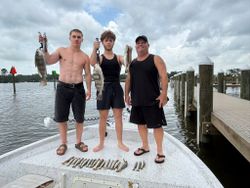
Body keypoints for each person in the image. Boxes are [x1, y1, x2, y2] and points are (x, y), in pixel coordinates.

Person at [42, 29, 91, 155]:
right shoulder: (61, 51)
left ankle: (78, 142)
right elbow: (48, 61)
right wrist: (44, 46)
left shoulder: (85, 56)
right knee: (61, 118)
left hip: (78, 89)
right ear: (69, 38)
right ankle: (63, 143)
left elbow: (88, 75)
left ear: (82, 39)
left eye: (79, 37)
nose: (76, 39)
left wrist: (89, 89)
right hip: (63, 88)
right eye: (74, 36)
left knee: (79, 118)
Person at [125, 35, 168, 163]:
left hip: (153, 99)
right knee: (140, 125)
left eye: (143, 43)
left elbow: (164, 76)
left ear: (148, 45)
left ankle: (160, 151)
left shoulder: (155, 59)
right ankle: (145, 146)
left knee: (157, 126)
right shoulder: (132, 63)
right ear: (136, 46)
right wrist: (126, 95)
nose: (140, 45)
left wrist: (164, 94)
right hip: (137, 100)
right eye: (138, 43)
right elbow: (129, 79)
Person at [90, 30, 129, 152]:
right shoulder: (99, 58)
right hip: (103, 88)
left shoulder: (118, 58)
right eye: (106, 40)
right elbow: (92, 63)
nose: (108, 42)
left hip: (116, 88)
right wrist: (94, 49)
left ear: (113, 42)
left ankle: (120, 142)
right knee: (103, 118)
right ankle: (101, 143)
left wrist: (129, 52)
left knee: (118, 117)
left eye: (110, 40)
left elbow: (128, 63)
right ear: (102, 42)